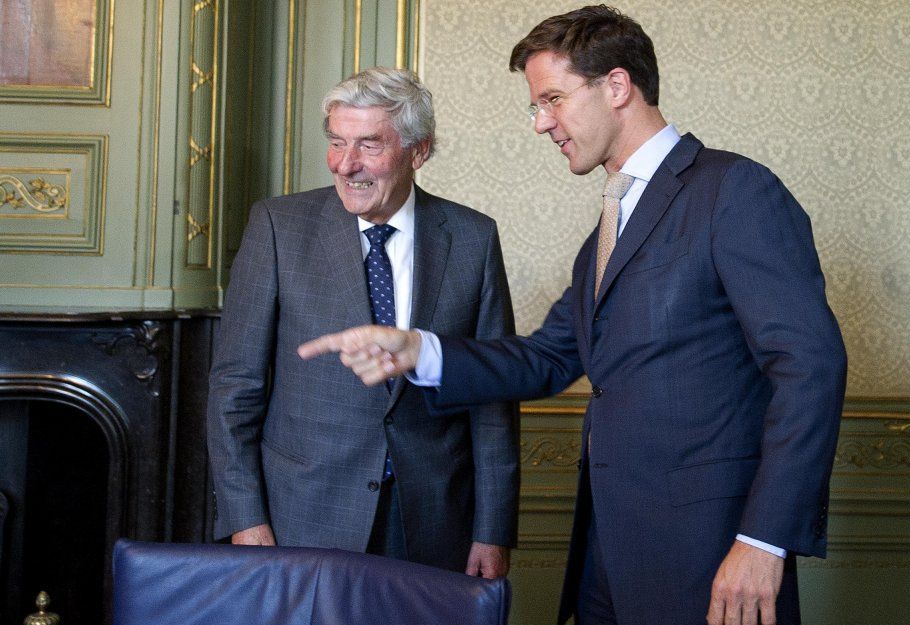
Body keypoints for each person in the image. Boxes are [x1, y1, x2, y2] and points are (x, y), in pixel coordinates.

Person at [299, 5, 847, 625]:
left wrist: (763, 540)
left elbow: (811, 367)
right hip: (607, 555)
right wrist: (418, 350)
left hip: (712, 552)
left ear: (616, 86)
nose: (541, 124)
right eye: (537, 106)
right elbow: (552, 356)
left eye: (552, 99)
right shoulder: (613, 222)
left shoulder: (734, 190)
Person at [207, 67, 519, 578]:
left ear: (419, 150)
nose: (346, 165)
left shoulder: (472, 238)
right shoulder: (277, 228)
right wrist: (246, 519)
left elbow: (492, 396)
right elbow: (233, 389)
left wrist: (493, 529)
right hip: (303, 519)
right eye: (336, 142)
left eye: (369, 145)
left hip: (433, 523)